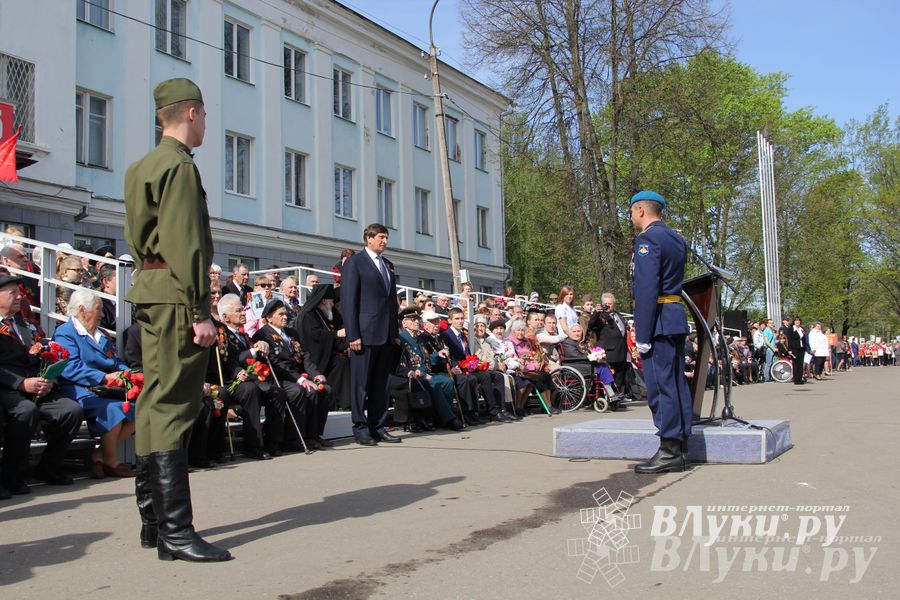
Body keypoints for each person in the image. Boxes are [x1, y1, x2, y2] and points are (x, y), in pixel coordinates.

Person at [123, 78, 230, 562]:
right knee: (172, 407)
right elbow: (187, 244)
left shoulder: (142, 165)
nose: (206, 123)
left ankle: (155, 527)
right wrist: (200, 312)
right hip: (175, 297)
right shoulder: (179, 167)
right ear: (191, 113)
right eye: (204, 115)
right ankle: (176, 532)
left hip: (152, 290)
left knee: (152, 402)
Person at [0, 274, 83, 497]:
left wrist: (48, 379)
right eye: (12, 293)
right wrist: (21, 383)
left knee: (71, 410)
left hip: (36, 385)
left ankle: (49, 468)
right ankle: (11, 476)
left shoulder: (26, 325)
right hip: (7, 387)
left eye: (19, 292)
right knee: (26, 411)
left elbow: (44, 355)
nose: (19, 296)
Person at [629, 190, 692, 474]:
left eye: (631, 211)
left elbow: (646, 289)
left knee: (660, 386)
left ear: (641, 210)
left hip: (658, 322)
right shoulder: (676, 239)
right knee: (676, 384)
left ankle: (669, 450)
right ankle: (680, 444)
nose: (631, 217)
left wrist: (642, 334)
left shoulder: (648, 239)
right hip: (674, 316)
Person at [55, 289, 136, 478]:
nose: (102, 314)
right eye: (98, 309)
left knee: (142, 408)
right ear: (82, 310)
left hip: (104, 389)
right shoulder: (66, 333)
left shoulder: (101, 335)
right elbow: (70, 367)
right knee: (114, 409)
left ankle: (99, 455)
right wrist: (104, 377)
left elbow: (114, 362)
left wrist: (127, 374)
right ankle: (111, 460)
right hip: (78, 388)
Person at [341, 223, 401, 446]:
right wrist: (353, 334)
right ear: (368, 238)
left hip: (385, 334)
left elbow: (391, 303)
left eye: (387, 237)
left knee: (381, 384)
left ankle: (378, 426)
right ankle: (360, 428)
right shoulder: (355, 263)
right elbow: (349, 301)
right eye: (381, 237)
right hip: (363, 335)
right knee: (360, 384)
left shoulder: (386, 265)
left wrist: (394, 332)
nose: (384, 241)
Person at [253, 299, 333, 450]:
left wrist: (315, 374)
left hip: (298, 374)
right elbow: (276, 364)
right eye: (281, 314)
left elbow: (305, 356)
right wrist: (300, 380)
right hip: (280, 377)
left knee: (325, 389)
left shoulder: (291, 333)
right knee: (300, 391)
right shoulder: (262, 335)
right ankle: (293, 437)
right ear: (269, 318)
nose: (285, 317)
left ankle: (313, 435)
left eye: (285, 314)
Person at [216, 293, 285, 459]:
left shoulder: (244, 335)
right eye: (238, 310)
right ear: (225, 316)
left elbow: (253, 356)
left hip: (250, 378)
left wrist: (262, 345)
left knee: (278, 393)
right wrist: (251, 353)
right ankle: (253, 446)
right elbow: (229, 360)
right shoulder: (222, 333)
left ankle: (272, 441)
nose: (243, 313)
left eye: (243, 310)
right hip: (232, 380)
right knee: (250, 390)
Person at [297, 283, 350, 411]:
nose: (333, 303)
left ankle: (346, 401)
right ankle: (342, 402)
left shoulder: (324, 315)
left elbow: (331, 339)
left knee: (345, 360)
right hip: (314, 358)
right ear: (323, 300)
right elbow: (315, 335)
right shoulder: (308, 315)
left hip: (327, 355)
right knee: (340, 362)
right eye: (331, 300)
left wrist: (346, 346)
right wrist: (337, 333)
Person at [588, 293, 630, 397]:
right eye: (605, 304)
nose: (608, 305)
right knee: (610, 376)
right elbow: (591, 324)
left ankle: (617, 398)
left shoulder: (618, 315)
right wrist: (596, 313)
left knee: (620, 377)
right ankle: (608, 397)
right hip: (608, 351)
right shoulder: (600, 316)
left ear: (614, 304)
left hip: (621, 351)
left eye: (610, 303)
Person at [786, 317, 806, 385]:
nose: (798, 322)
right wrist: (789, 349)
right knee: (795, 364)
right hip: (794, 348)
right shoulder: (791, 329)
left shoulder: (802, 329)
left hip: (801, 348)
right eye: (796, 321)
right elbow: (789, 340)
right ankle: (796, 379)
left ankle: (800, 378)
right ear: (794, 322)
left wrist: (805, 348)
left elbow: (803, 339)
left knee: (800, 364)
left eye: (799, 321)